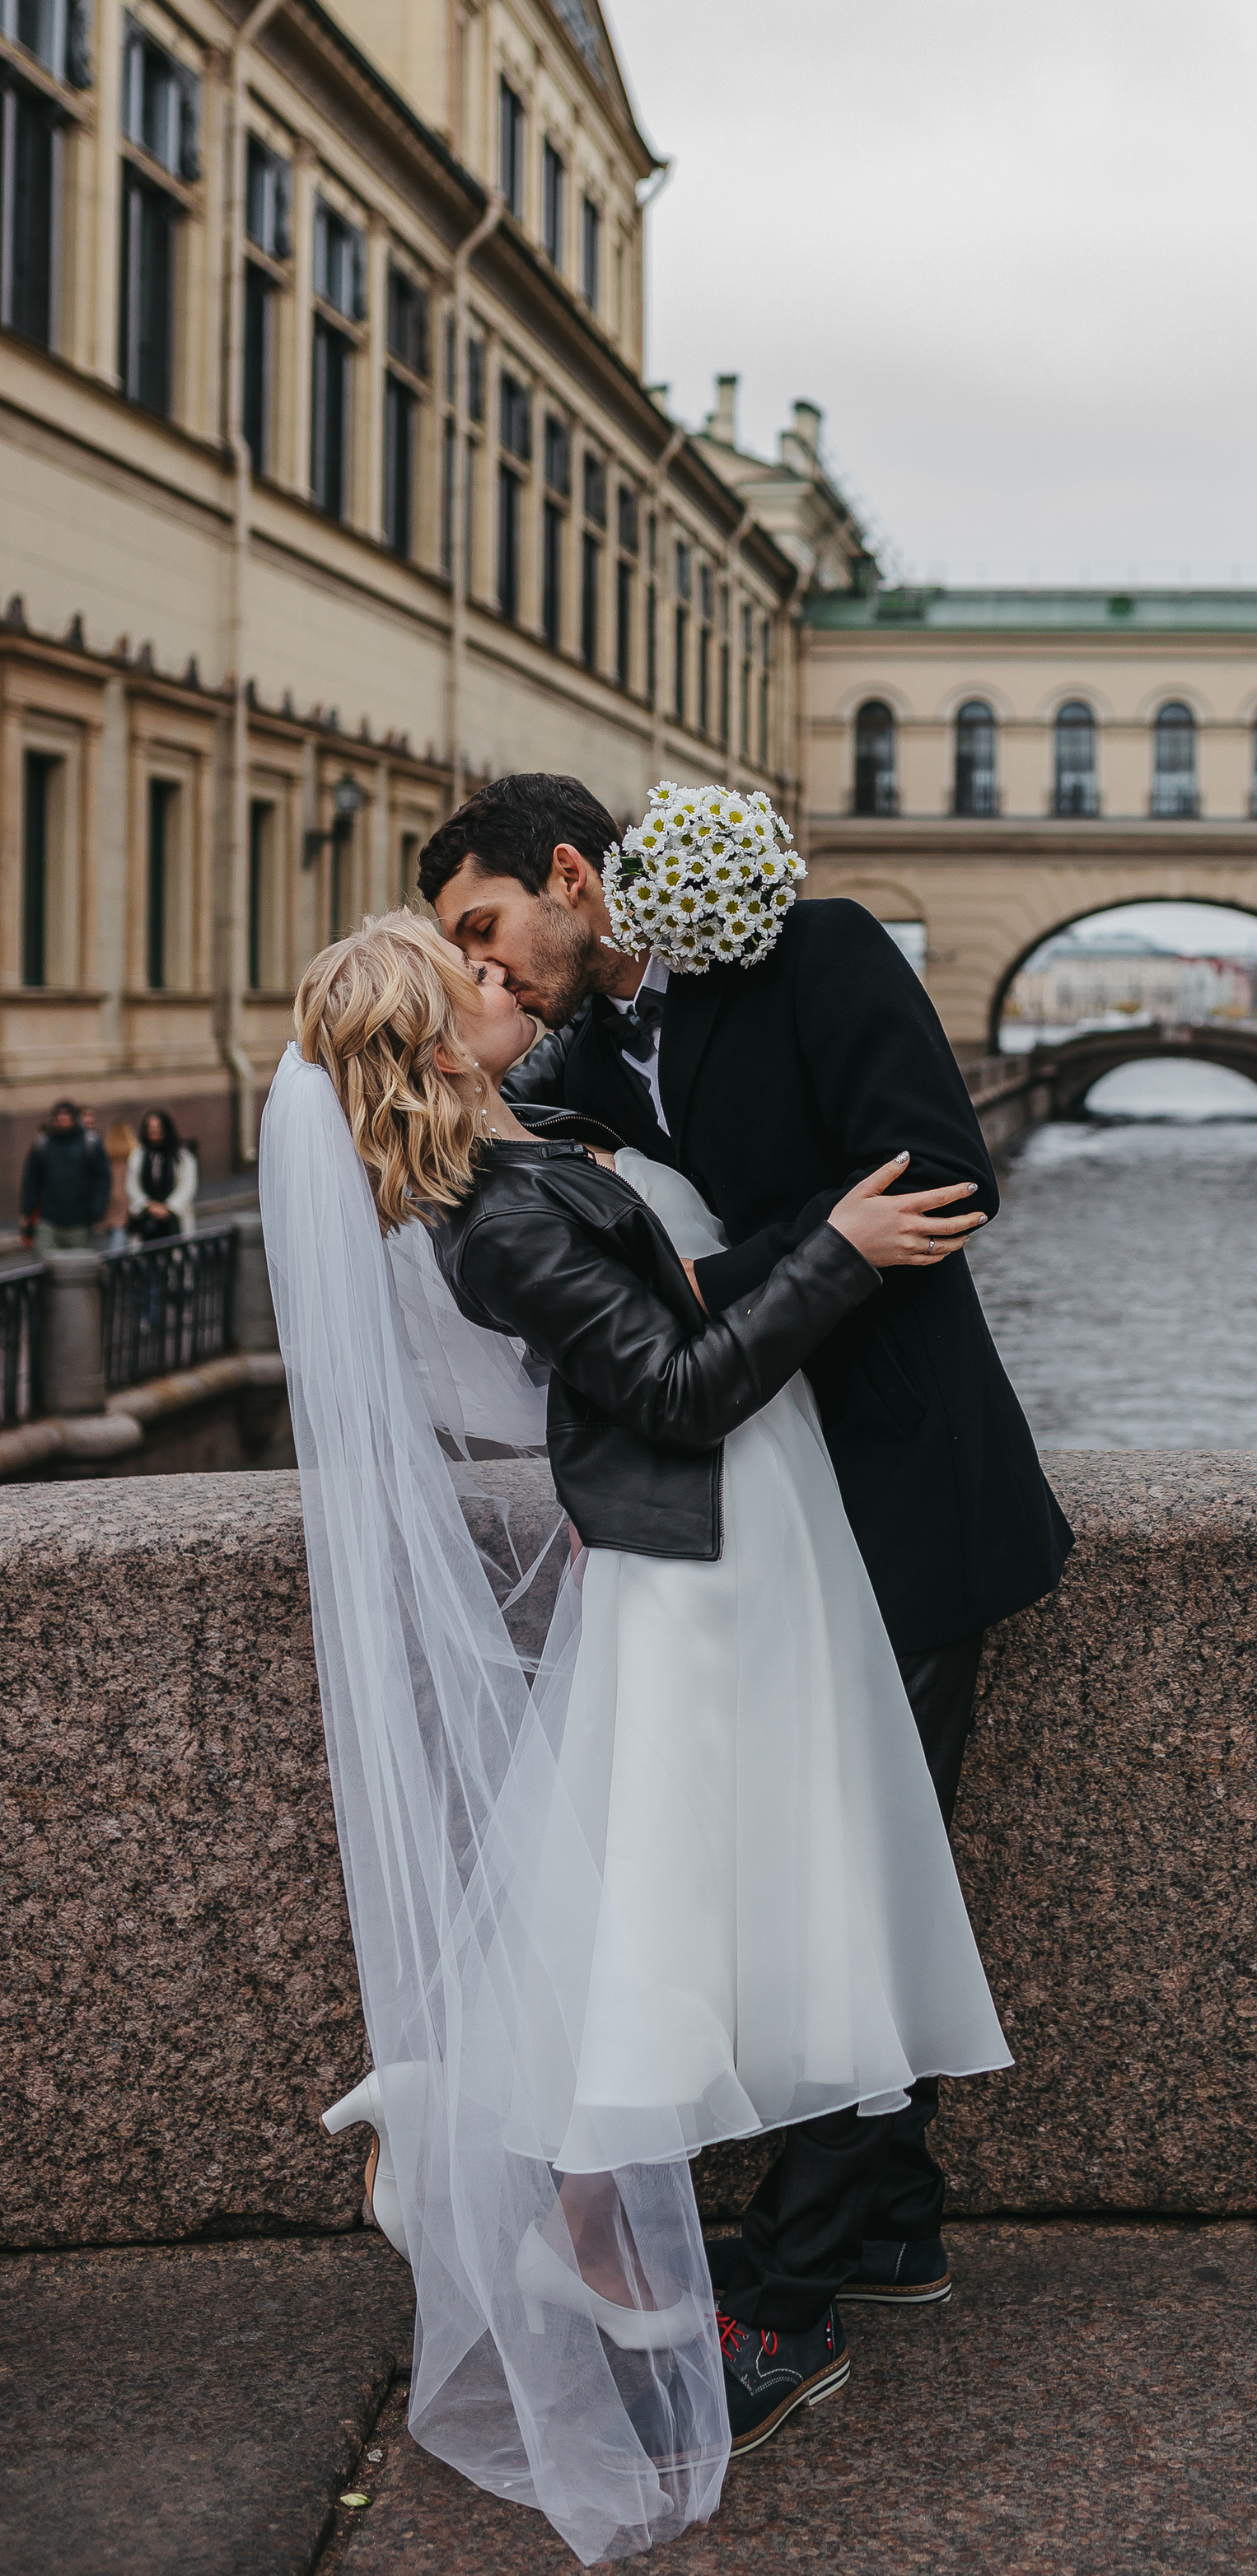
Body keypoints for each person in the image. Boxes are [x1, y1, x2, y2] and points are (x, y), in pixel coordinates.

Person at [268, 912, 1012, 2555]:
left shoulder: (537, 1144)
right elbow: (678, 1385)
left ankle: (519, 2168)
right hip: (714, 1564)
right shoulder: (484, 1213)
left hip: (750, 1542)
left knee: (684, 1899)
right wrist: (844, 1250)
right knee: (698, 1902)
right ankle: (528, 2186)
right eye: (463, 970)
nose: (500, 975)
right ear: (420, 1035)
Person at [420, 772, 1070, 2340]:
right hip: (743, 1525)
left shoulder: (821, 950)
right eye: (459, 957)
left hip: (897, 1493)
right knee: (825, 1889)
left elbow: (941, 1180)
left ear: (572, 873)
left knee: (854, 1893)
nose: (485, 972)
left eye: (487, 928)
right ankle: (894, 2232)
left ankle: (780, 2291)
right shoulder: (577, 1051)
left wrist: (706, 1282)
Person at [18, 1100, 112, 1250]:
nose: (63, 1120)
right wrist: (26, 1211)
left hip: (80, 1220)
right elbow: (31, 1179)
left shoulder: (90, 1143)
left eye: (66, 1116)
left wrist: (96, 1211)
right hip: (49, 1218)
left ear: (74, 1118)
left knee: (76, 1266)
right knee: (45, 1262)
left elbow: (102, 1178)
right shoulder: (43, 1144)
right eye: (59, 1117)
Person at [126, 1111, 198, 1244]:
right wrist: (147, 1205)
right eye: (150, 1128)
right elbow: (132, 1184)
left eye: (158, 1128)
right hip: (146, 1220)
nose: (154, 1132)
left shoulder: (182, 1157)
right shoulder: (139, 1155)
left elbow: (188, 1184)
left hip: (173, 1221)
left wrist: (169, 1207)